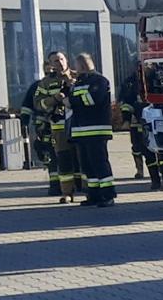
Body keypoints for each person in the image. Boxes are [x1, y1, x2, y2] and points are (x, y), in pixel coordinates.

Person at [67, 53, 118, 207]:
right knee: (87, 165)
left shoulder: (99, 81)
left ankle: (108, 195)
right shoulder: (78, 82)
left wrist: (70, 101)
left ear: (82, 65)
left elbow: (91, 99)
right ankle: (94, 194)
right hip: (81, 131)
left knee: (99, 163)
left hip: (96, 130)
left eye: (76, 65)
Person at [35, 52, 82, 204]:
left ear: (66, 60)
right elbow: (38, 104)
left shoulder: (79, 76)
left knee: (84, 158)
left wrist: (72, 84)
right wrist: (54, 99)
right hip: (59, 127)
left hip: (79, 124)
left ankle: (90, 191)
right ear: (51, 65)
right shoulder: (45, 83)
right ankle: (67, 193)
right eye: (56, 60)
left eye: (61, 59)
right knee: (64, 159)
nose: (60, 62)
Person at [18, 64, 60, 195]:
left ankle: (74, 185)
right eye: (47, 71)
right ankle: (55, 185)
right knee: (50, 155)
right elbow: (27, 105)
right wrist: (24, 122)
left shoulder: (65, 82)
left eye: (52, 71)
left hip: (61, 125)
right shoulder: (37, 86)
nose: (49, 74)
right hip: (44, 127)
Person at [118, 67, 148, 180]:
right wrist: (127, 118)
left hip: (152, 122)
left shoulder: (153, 79)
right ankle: (139, 171)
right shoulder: (129, 83)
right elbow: (124, 102)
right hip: (135, 121)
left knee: (157, 148)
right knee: (136, 147)